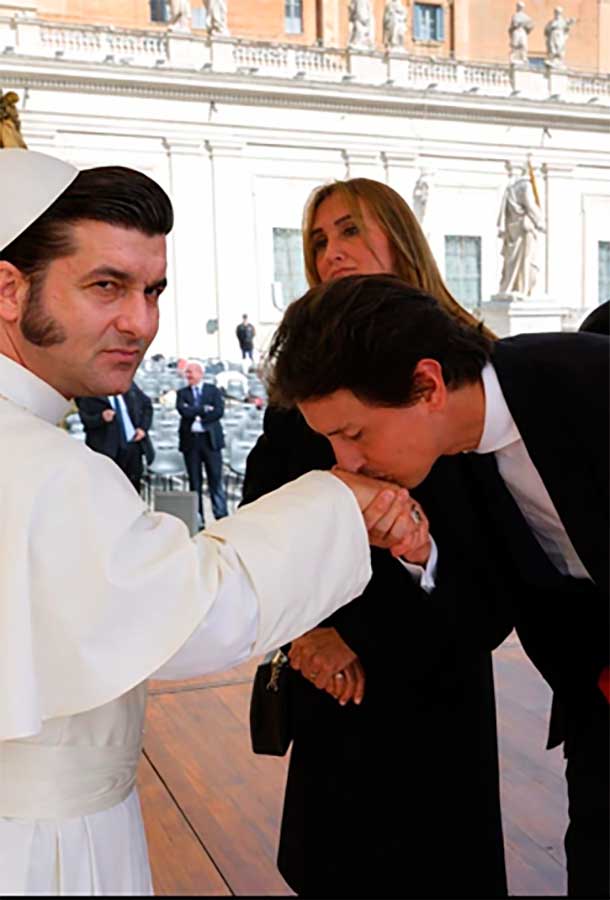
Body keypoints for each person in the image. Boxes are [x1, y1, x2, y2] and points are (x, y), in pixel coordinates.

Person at [0, 149, 418, 895]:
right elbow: (187, 614)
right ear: (9, 291)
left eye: (153, 290)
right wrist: (339, 500)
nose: (141, 322)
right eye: (106, 286)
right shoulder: (40, 462)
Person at [267, 273, 610, 900]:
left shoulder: (588, 380)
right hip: (597, 715)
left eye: (354, 433)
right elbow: (483, 618)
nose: (346, 463)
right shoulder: (447, 454)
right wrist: (420, 554)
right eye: (330, 440)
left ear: (427, 384)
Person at [242, 178, 508, 898]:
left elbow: (493, 546)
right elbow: (258, 514)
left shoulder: (469, 368)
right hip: (335, 678)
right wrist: (307, 633)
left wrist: (423, 560)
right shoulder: (303, 380)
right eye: (318, 240)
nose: (331, 251)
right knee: (340, 861)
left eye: (351, 230)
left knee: (437, 861)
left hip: (439, 662)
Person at [76, 381, 154, 494]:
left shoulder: (127, 385)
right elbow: (86, 420)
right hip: (107, 451)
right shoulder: (90, 392)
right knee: (111, 491)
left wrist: (143, 428)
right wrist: (101, 418)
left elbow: (147, 405)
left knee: (133, 489)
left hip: (133, 446)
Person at [177, 360, 228, 527]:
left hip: (210, 441)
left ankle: (221, 516)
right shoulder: (182, 393)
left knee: (215, 479)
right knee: (195, 481)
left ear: (200, 373)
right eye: (187, 372)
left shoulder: (213, 391)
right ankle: (198, 518)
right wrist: (203, 409)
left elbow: (218, 411)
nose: (188, 375)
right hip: (191, 443)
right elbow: (183, 411)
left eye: (191, 372)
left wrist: (198, 417)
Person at [497, 164, 545, 296]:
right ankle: (522, 288)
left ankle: (515, 286)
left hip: (513, 229)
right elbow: (530, 206)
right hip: (524, 229)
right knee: (527, 260)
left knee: (513, 261)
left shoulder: (511, 188)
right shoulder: (525, 186)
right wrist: (540, 222)